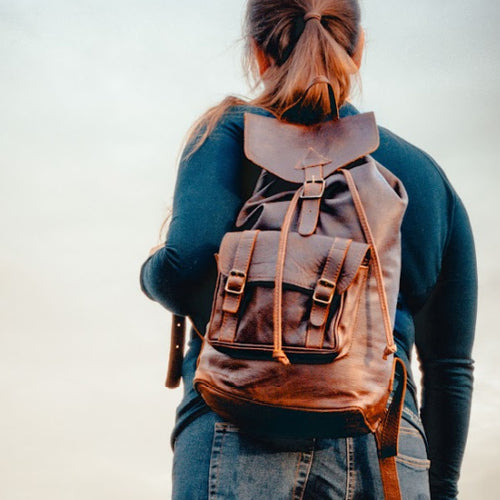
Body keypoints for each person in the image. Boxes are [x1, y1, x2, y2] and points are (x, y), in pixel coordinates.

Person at [140, 1, 477, 498]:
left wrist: (149, 271)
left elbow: (185, 263)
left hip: (240, 420)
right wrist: (439, 486)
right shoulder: (424, 178)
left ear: (258, 51)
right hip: (383, 439)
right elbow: (450, 366)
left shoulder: (231, 134)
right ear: (357, 49)